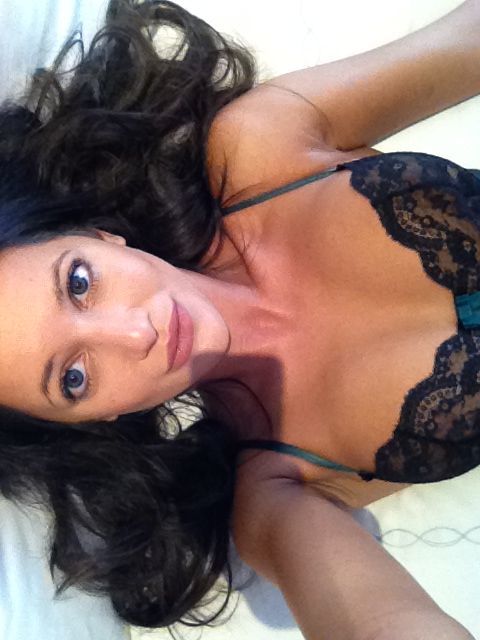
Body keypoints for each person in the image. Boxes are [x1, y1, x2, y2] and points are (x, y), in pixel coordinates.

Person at [0, 0, 478, 637]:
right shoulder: (275, 490)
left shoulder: (259, 143)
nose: (135, 333)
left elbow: (466, 45)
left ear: (99, 236)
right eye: (74, 378)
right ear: (95, 420)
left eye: (79, 283)